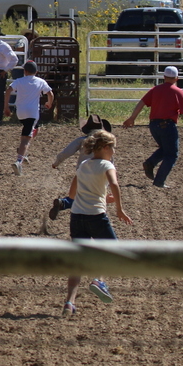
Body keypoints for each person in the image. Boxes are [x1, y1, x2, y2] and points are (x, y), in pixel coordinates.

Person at [62, 130, 133, 315]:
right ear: (104, 147)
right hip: (96, 216)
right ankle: (98, 280)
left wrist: (102, 196)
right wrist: (119, 208)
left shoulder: (84, 164)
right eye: (113, 148)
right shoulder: (107, 165)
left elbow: (71, 195)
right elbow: (115, 185)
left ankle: (69, 303)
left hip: (77, 216)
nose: (114, 152)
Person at [122, 65, 183, 189]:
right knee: (172, 154)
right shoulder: (178, 92)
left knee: (165, 148)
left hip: (153, 125)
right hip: (168, 125)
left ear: (164, 77)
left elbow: (142, 102)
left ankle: (150, 163)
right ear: (177, 78)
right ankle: (159, 181)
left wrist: (132, 118)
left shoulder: (155, 89)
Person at [48, 115, 113, 221]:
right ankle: (65, 204)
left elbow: (66, 152)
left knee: (83, 196)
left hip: (82, 173)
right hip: (99, 174)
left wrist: (56, 163)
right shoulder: (106, 145)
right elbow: (110, 160)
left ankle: (64, 203)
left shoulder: (82, 140)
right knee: (93, 198)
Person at [4, 60, 53, 175]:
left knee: (36, 128)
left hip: (20, 113)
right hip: (32, 113)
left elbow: (8, 90)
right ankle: (19, 161)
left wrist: (6, 106)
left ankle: (23, 151)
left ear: (25, 71)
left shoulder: (19, 81)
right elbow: (50, 93)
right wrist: (49, 103)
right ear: (36, 71)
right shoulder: (40, 81)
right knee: (25, 139)